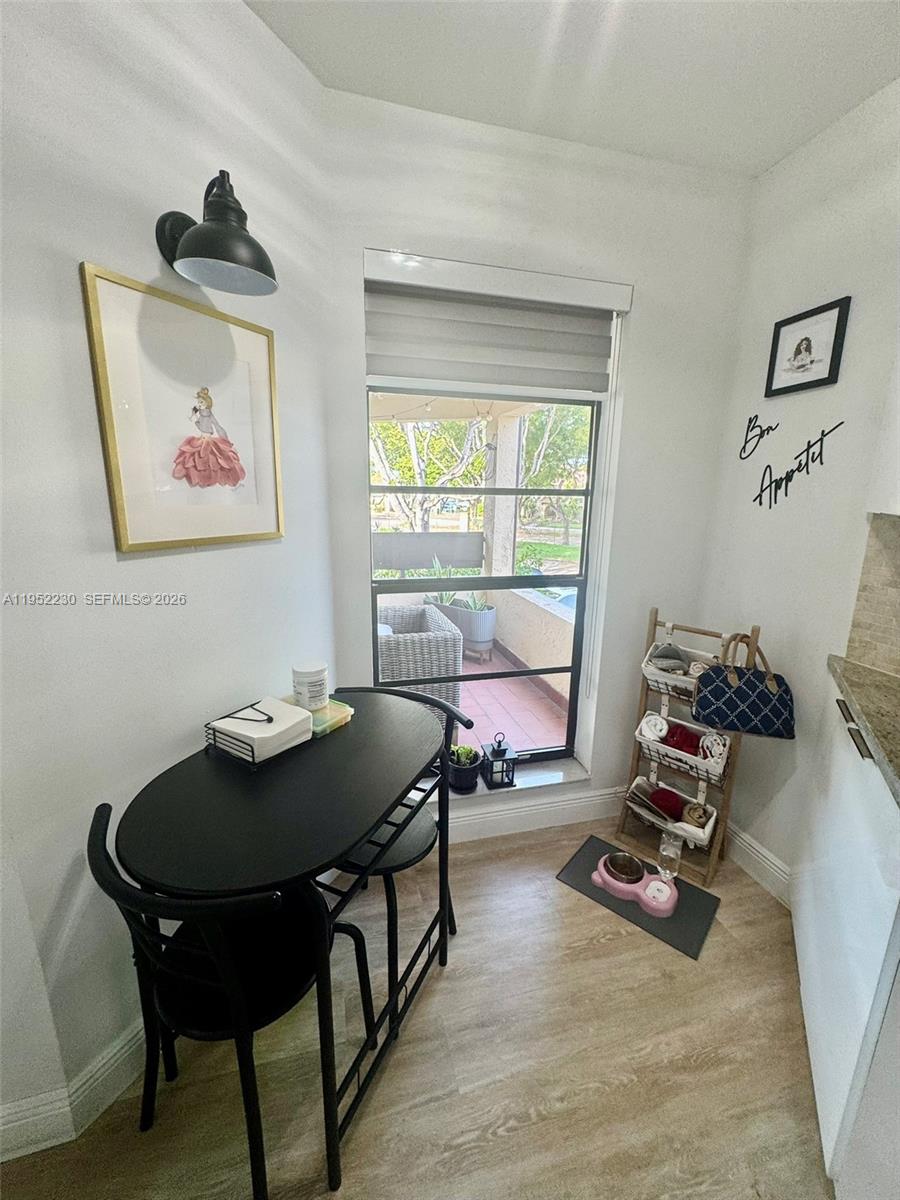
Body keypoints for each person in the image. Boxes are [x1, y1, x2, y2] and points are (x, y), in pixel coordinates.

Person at [172, 387, 246, 487]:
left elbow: (217, 426)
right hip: (201, 438)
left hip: (207, 438)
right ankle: (199, 476)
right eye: (199, 402)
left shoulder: (208, 415)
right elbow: (199, 424)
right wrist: (194, 416)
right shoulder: (201, 413)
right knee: (195, 457)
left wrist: (225, 440)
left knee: (212, 457)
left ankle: (209, 477)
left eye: (201, 402)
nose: (199, 404)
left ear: (207, 404)